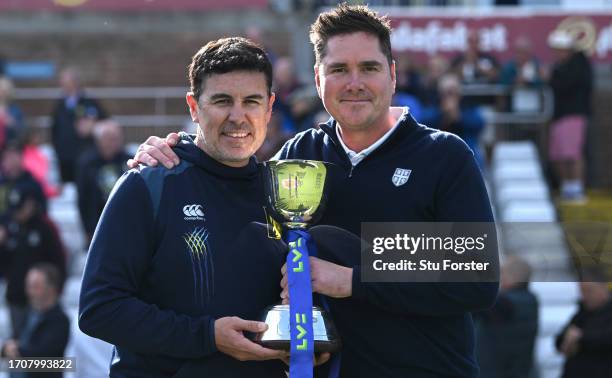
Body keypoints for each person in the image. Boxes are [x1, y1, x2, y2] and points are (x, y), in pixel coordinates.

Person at [131, 5, 499, 377]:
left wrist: (351, 280)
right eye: (339, 69)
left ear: (392, 74)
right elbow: (236, 204)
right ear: (318, 78)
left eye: (368, 68)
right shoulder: (298, 154)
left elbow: (475, 275)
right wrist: (177, 152)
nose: (354, 83)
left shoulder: (445, 155)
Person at [78, 37, 304, 378]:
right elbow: (99, 309)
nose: (237, 116)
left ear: (270, 108)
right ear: (194, 107)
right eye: (222, 101)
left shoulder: (284, 194)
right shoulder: (148, 184)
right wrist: (207, 337)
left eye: (252, 101)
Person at [0, 174, 65, 337]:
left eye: (20, 209)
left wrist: (56, 290)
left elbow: (59, 260)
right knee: (19, 347)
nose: (17, 214)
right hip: (16, 297)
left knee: (40, 349)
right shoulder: (9, 228)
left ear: (30, 205)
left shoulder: (46, 227)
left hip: (42, 299)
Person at [546, 30, 593, 202]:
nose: (557, 53)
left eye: (559, 49)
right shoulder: (561, 66)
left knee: (572, 154)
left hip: (573, 115)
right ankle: (567, 188)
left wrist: (550, 78)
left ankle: (577, 189)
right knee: (557, 155)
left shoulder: (579, 64)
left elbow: (566, 85)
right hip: (559, 116)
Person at [0, 263, 70, 378]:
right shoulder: (27, 314)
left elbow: (47, 361)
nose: (29, 291)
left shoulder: (60, 321)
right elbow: (14, 341)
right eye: (28, 286)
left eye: (35, 286)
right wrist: (6, 349)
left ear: (51, 288)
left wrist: (16, 350)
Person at [475, 256, 538, 378]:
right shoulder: (528, 300)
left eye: (503, 273)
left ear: (514, 278)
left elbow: (481, 300)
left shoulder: (508, 303)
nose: (500, 277)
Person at [76, 119, 131, 244]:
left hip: (126, 226)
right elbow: (82, 199)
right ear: (99, 140)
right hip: (97, 225)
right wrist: (88, 230)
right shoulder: (87, 163)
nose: (114, 142)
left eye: (117, 138)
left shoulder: (130, 161)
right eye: (110, 138)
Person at [50, 67, 107, 184]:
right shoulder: (60, 105)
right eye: (62, 83)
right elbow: (54, 128)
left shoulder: (89, 102)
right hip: (65, 158)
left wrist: (93, 126)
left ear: (76, 83)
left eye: (67, 82)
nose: (64, 86)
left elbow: (104, 122)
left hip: (84, 156)